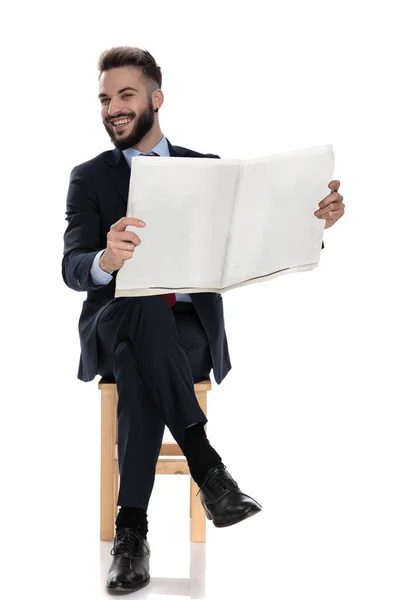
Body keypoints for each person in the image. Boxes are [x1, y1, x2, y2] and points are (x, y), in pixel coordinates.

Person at [62, 46, 345, 593]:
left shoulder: (207, 170)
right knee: (138, 298)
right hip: (114, 318)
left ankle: (131, 533)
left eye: (125, 95)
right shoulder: (89, 178)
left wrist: (316, 224)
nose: (113, 108)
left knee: (138, 361)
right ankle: (208, 467)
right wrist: (106, 260)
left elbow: (252, 242)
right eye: (104, 98)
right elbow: (73, 267)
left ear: (156, 99)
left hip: (186, 333)